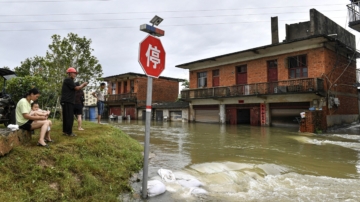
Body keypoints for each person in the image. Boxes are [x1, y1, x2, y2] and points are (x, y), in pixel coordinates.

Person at [61, 67, 88, 137]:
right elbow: (77, 88)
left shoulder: (69, 81)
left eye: (75, 73)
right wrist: (83, 85)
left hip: (67, 101)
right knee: (69, 117)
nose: (75, 75)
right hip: (67, 101)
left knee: (67, 117)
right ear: (69, 73)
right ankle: (69, 132)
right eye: (74, 73)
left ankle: (65, 131)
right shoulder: (68, 80)